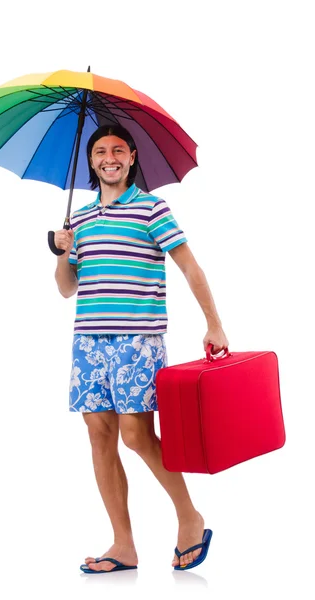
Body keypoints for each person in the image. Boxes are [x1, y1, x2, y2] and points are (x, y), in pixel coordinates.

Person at [54, 124, 229, 573]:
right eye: (99, 151)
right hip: (88, 341)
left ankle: (190, 517)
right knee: (99, 437)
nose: (108, 157)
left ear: (132, 157)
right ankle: (123, 545)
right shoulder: (81, 220)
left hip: (138, 339)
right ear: (91, 162)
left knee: (135, 434)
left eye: (117, 150)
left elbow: (190, 266)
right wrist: (60, 250)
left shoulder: (152, 209)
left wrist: (214, 324)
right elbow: (66, 289)